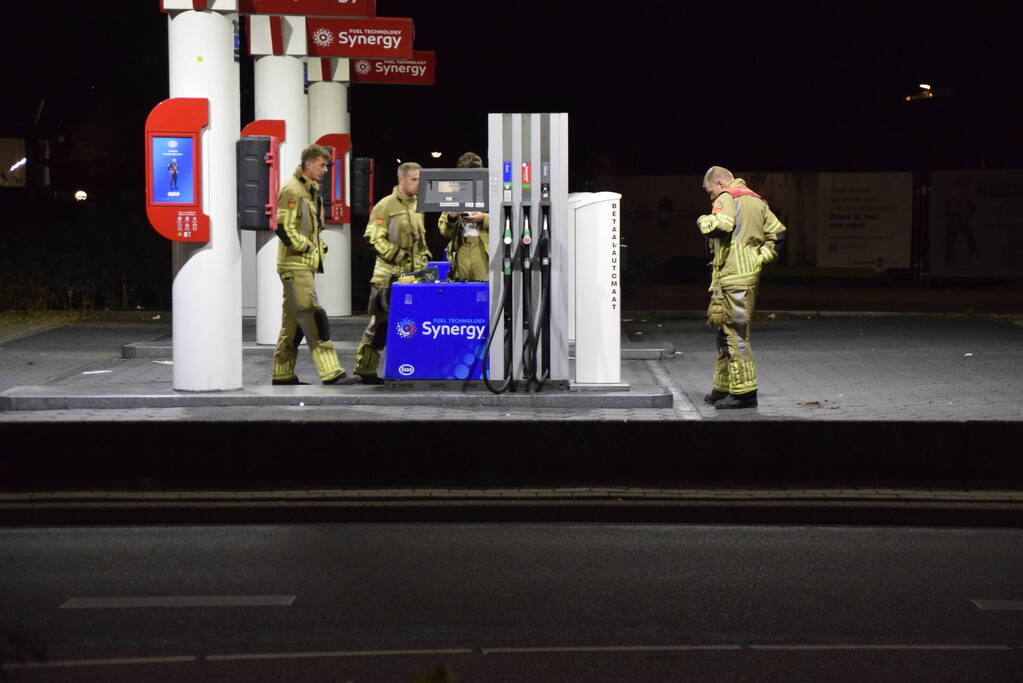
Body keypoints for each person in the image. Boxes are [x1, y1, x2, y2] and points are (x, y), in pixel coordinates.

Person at [696, 166, 787, 409]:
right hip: (743, 275)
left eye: (710, 191)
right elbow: (778, 235)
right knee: (725, 333)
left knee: (735, 335)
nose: (711, 197)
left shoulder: (728, 197)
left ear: (721, 184)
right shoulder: (756, 200)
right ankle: (723, 388)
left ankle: (745, 393)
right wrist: (759, 258)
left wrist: (703, 220)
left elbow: (721, 227)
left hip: (733, 276)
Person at [271, 144, 354, 386]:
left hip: (301, 265)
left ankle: (283, 372)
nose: (326, 170)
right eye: (322, 164)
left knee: (292, 323)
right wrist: (307, 246)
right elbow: (282, 227)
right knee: (312, 316)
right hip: (295, 265)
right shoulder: (292, 189)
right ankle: (332, 372)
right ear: (308, 164)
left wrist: (316, 248)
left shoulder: (310, 190)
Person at [354, 162, 431, 384]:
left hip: (413, 276)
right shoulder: (385, 206)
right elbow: (374, 237)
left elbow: (420, 239)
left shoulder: (418, 205)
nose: (418, 183)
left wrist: (424, 258)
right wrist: (397, 255)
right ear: (402, 179)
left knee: (411, 325)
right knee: (380, 324)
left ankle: (409, 366)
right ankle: (365, 368)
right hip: (387, 276)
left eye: (420, 179)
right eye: (414, 179)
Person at [438, 151, 489, 281]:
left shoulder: (490, 191)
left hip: (484, 249)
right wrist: (452, 218)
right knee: (462, 290)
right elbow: (445, 231)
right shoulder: (453, 193)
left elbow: (504, 222)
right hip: (462, 249)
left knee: (484, 291)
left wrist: (483, 218)